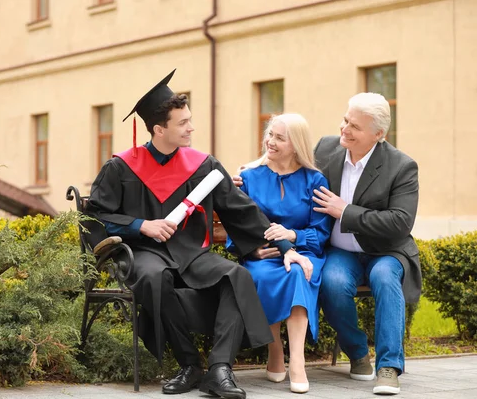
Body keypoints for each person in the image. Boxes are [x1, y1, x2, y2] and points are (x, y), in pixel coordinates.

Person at [85, 69, 312, 399]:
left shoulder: (202, 165)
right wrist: (140, 225)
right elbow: (95, 216)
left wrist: (284, 244)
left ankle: (220, 370)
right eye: (183, 123)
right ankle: (190, 365)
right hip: (144, 252)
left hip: (191, 253)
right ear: (159, 129)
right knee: (153, 277)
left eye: (190, 120)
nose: (191, 127)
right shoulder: (121, 167)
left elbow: (241, 210)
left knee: (236, 276)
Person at [312, 92, 420, 395]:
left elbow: (400, 222)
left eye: (355, 127)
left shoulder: (402, 166)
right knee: (331, 282)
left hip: (385, 251)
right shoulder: (326, 148)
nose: (344, 129)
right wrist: (250, 173)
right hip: (341, 252)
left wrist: (345, 212)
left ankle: (388, 367)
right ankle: (358, 354)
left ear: (378, 135)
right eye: (345, 120)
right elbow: (292, 168)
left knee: (385, 278)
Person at [228, 114, 331, 394]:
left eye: (279, 138)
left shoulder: (315, 180)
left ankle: (297, 359)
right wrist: (253, 250)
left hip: (303, 252)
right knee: (262, 275)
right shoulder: (248, 176)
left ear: (296, 144)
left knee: (297, 272)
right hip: (263, 255)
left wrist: (292, 235)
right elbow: (237, 225)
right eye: (270, 135)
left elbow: (321, 233)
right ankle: (275, 351)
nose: (270, 142)